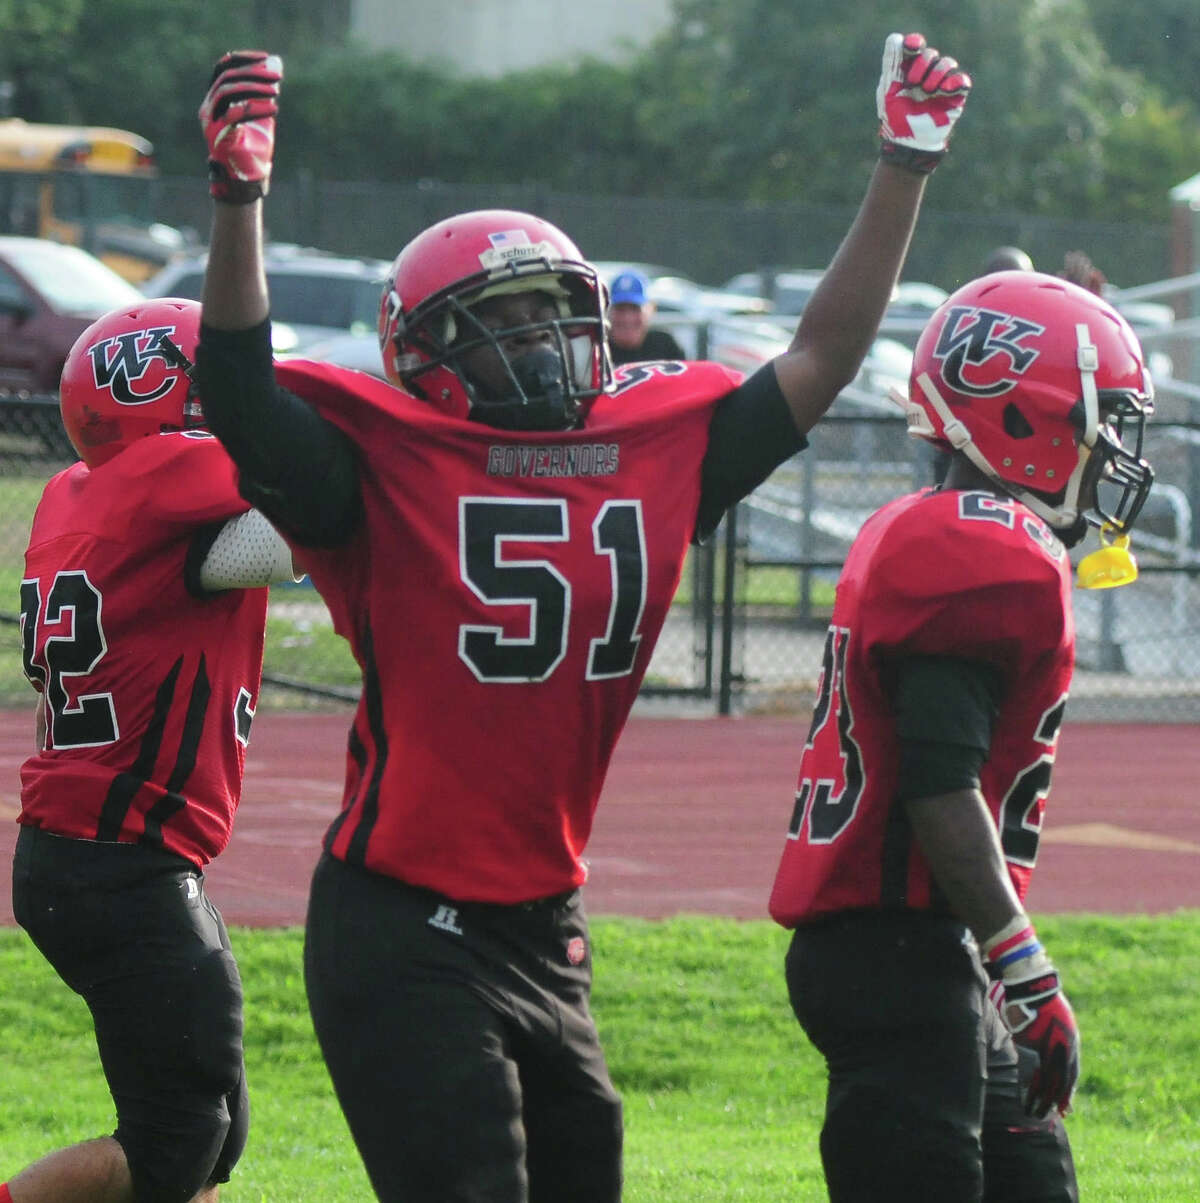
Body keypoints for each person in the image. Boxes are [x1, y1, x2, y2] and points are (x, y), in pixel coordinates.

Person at [192, 32, 971, 1202]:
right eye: (506, 316)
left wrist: (902, 164)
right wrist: (239, 199)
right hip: (403, 927)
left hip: (548, 927)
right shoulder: (381, 469)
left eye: (559, 309)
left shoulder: (653, 452)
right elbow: (243, 390)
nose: (549, 338)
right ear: (428, 352)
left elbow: (823, 352)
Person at [769, 269, 1156, 1202]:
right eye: (1098, 418)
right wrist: (1022, 963)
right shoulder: (979, 552)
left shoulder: (931, 527)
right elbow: (939, 785)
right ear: (1023, 418)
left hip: (923, 946)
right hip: (896, 949)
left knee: (1034, 1178)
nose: (1108, 447)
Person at [3, 299, 297, 1203]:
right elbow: (298, 502)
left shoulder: (74, 495)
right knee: (177, 1139)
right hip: (121, 862)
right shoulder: (167, 471)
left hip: (85, 855)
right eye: (212, 385)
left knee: (210, 1135)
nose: (238, 399)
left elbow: (259, 545)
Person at [605, 268, 686, 365]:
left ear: (651, 309)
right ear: (607, 311)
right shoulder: (598, 349)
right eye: (620, 309)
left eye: (635, 309)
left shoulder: (666, 347)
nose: (627, 318)